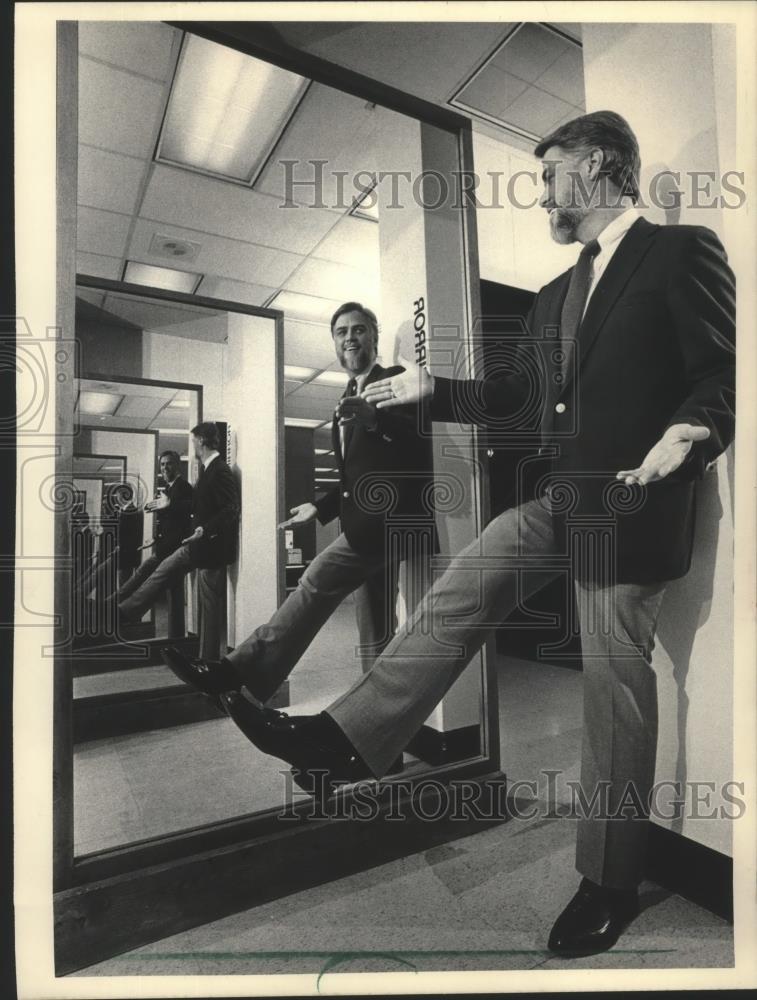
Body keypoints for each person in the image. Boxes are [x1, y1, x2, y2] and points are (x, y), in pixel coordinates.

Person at [183, 112, 736, 957]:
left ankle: (608, 879)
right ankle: (347, 740)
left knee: (611, 692)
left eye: (550, 172)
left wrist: (691, 431)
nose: (543, 190)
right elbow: (521, 401)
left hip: (632, 504)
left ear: (596, 166)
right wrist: (429, 391)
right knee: (462, 585)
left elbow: (717, 370)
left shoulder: (679, 252)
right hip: (559, 500)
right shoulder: (557, 294)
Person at [161, 302, 436, 740]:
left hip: (390, 524)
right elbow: (354, 478)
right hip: (365, 524)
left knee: (314, 581)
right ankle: (382, 737)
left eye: (360, 329)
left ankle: (237, 672)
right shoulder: (343, 398)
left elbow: (422, 448)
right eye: (342, 331)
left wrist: (377, 419)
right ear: (334, 342)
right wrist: (321, 509)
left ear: (374, 337)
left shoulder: (392, 385)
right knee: (375, 636)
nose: (350, 338)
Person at [118, 423, 240, 660]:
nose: (192, 445)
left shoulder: (220, 470)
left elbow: (231, 508)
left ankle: (208, 660)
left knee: (206, 604)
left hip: (210, 548)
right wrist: (170, 505)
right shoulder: (208, 469)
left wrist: (205, 529)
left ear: (202, 441)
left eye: (193, 441)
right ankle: (127, 611)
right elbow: (197, 505)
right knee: (168, 575)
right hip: (200, 546)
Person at [118, 450, 193, 635]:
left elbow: (188, 511)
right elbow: (169, 521)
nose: (165, 468)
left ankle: (113, 606)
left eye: (169, 463)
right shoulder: (168, 489)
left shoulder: (183, 487)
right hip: (165, 545)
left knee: (142, 574)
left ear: (177, 465)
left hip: (172, 549)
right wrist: (156, 537)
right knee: (174, 594)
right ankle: (176, 637)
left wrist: (168, 506)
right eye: (162, 465)